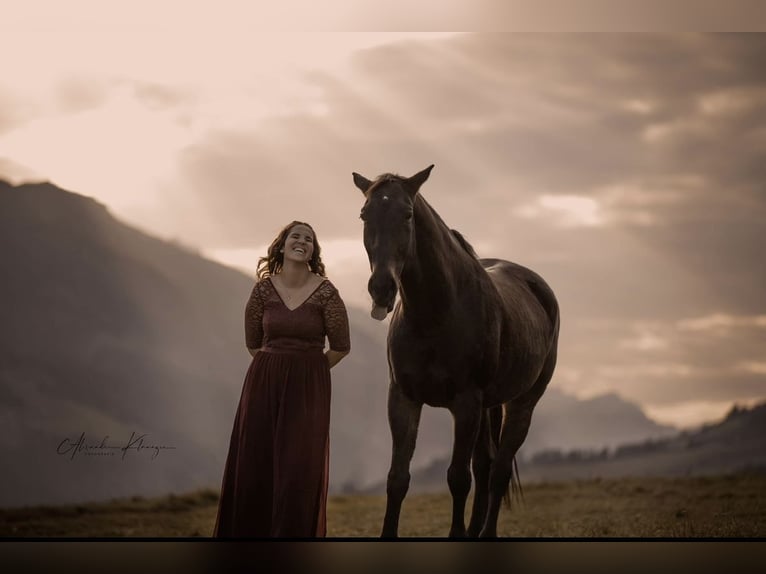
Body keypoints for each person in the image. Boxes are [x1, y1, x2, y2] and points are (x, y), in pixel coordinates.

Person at [213, 220, 351, 538]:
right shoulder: (262, 289)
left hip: (308, 388)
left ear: (314, 250)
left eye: (309, 239)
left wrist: (307, 372)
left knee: (299, 468)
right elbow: (252, 342)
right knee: (255, 462)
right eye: (295, 236)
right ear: (282, 244)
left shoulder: (327, 292)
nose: (302, 241)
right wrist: (275, 369)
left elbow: (341, 347)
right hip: (263, 383)